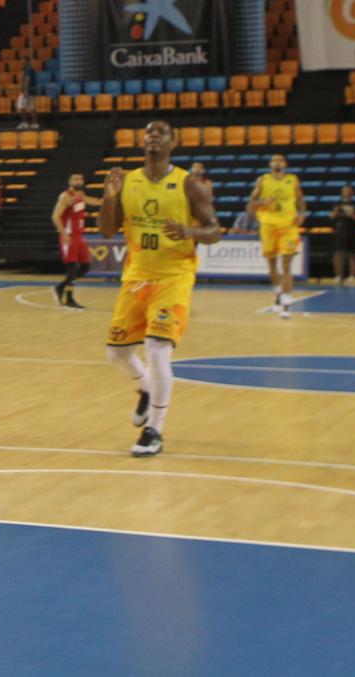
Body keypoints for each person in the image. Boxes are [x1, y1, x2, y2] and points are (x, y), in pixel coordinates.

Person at [101, 119, 222, 458]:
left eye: (161, 132)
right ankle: (145, 388)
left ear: (173, 143)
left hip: (174, 276)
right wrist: (109, 199)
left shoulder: (189, 185)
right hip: (137, 277)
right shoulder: (127, 181)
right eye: (148, 132)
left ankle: (154, 431)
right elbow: (108, 230)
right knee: (117, 353)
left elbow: (215, 230)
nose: (153, 135)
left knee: (156, 348)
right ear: (143, 142)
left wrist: (189, 231)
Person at [250, 153, 305, 318]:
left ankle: (286, 303)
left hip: (288, 225)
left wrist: (302, 213)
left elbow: (301, 200)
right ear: (270, 164)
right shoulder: (263, 180)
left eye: (280, 160)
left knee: (287, 263)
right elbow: (251, 204)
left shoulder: (293, 180)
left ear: (285, 164)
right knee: (272, 264)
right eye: (274, 160)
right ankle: (278, 295)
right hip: (268, 225)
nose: (277, 162)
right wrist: (262, 203)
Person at [52, 172, 91, 309]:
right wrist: (64, 234)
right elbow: (55, 217)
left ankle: (60, 287)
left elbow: (96, 201)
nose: (78, 180)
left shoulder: (80, 196)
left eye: (80, 178)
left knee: (86, 266)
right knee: (72, 267)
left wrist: (111, 197)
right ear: (69, 181)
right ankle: (69, 298)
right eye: (75, 178)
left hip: (79, 236)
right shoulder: (65, 196)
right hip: (69, 236)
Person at [330, 185, 355, 286]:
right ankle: (338, 276)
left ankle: (352, 277)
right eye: (344, 191)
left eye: (348, 191)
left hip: (352, 231)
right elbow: (331, 217)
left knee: (352, 254)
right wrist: (336, 213)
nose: (346, 192)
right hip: (340, 231)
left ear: (352, 193)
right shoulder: (337, 204)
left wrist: (351, 214)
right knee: (338, 254)